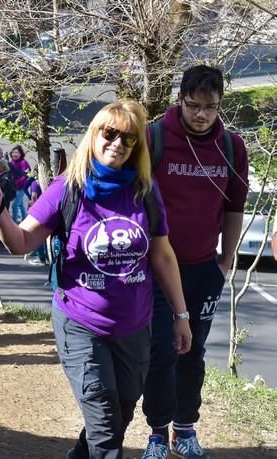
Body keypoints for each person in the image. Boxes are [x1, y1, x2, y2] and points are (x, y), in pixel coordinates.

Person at [0, 100, 192, 458]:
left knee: (121, 413)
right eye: (110, 133)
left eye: (128, 138)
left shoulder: (145, 189)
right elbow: (21, 242)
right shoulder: (68, 188)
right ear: (94, 135)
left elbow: (162, 254)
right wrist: (0, 210)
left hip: (134, 326)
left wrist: (181, 315)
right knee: (107, 428)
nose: (118, 143)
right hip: (81, 322)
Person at [140, 65, 249, 459]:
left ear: (220, 104)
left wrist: (226, 260)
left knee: (193, 351)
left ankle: (184, 429)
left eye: (210, 107)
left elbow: (234, 206)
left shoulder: (233, 147)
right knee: (160, 350)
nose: (201, 115)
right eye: (193, 106)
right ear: (179, 99)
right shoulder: (153, 138)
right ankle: (156, 432)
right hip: (155, 268)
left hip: (205, 268)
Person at [8, 145, 31, 222]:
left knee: (14, 206)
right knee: (20, 205)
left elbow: (26, 175)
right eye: (13, 152)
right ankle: (25, 220)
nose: (15, 154)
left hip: (20, 188)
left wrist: (17, 183)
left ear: (21, 154)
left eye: (17, 152)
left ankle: (14, 222)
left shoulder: (23, 162)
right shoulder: (11, 162)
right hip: (13, 187)